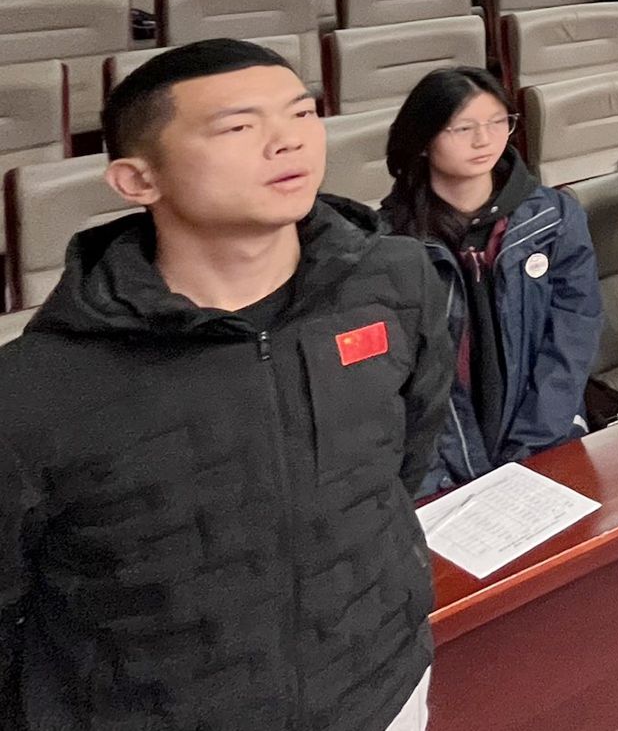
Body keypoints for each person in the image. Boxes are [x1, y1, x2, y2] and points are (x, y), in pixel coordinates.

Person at [0, 39, 452, 730]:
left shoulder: (397, 279)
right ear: (137, 180)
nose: (288, 141)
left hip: (380, 689)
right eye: (239, 126)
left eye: (302, 113)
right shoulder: (37, 385)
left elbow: (403, 460)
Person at [380, 67, 601, 492]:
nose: (484, 140)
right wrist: (440, 474)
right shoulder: (390, 245)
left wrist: (534, 444)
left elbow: (575, 330)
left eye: (498, 122)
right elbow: (400, 382)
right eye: (463, 128)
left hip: (546, 436)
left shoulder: (553, 217)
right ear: (423, 139)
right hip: (439, 467)